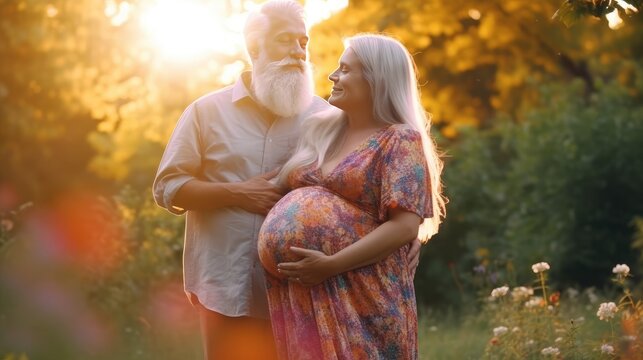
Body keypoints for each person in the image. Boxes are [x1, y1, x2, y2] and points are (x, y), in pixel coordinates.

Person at [152, 1, 422, 358]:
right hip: (225, 286)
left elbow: (371, 178)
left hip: (303, 291)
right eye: (285, 40)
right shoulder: (206, 112)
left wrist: (409, 234)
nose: (298, 51)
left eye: (303, 42)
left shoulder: (326, 116)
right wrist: (236, 193)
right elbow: (167, 187)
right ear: (255, 47)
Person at [258, 33, 447, 359]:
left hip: (361, 293)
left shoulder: (400, 139)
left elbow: (404, 226)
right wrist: (210, 190)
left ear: (376, 78)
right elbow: (278, 186)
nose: (333, 76)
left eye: (345, 69)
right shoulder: (320, 130)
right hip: (304, 290)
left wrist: (330, 264)